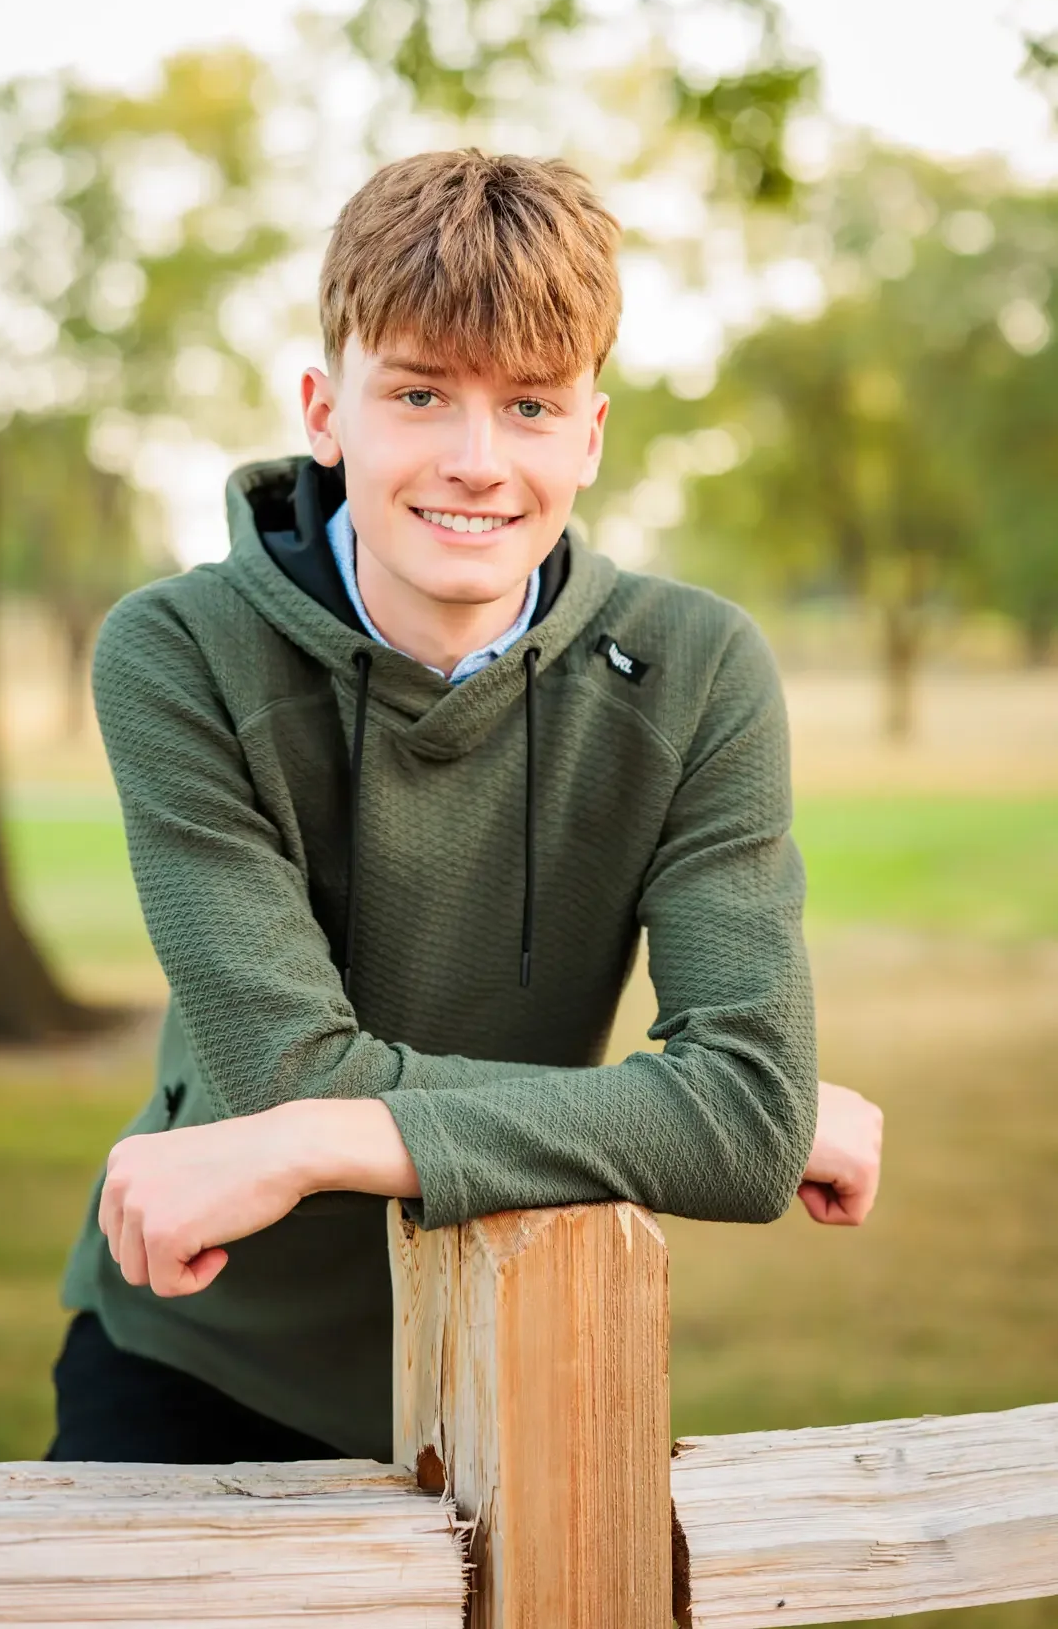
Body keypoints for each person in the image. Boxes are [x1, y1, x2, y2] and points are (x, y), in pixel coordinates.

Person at [49, 149, 883, 1467]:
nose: (477, 461)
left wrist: (319, 1138)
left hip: (527, 1342)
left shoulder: (700, 671)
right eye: (422, 393)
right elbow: (285, 1072)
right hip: (205, 1347)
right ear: (328, 411)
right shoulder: (177, 651)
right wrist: (692, 1121)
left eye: (533, 407)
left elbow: (741, 1111)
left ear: (593, 434)